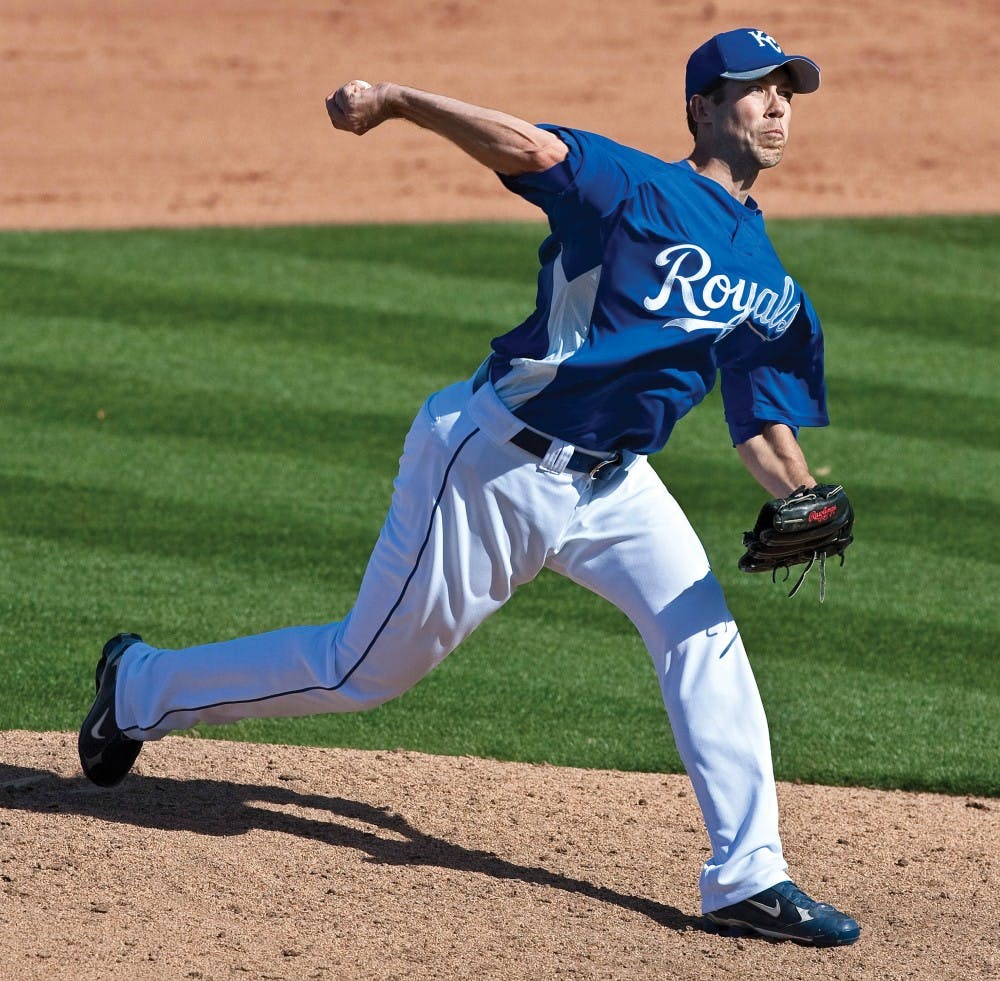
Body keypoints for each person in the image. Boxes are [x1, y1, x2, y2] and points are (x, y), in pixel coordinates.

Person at [79, 27, 860, 946]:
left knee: (701, 630)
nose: (776, 105)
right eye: (754, 89)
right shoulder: (635, 190)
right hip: (497, 463)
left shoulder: (766, 274)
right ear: (700, 108)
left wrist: (804, 492)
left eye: (786, 91)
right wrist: (402, 101)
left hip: (614, 487)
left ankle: (747, 877)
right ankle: (137, 686)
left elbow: (759, 415)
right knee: (359, 669)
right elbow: (533, 149)